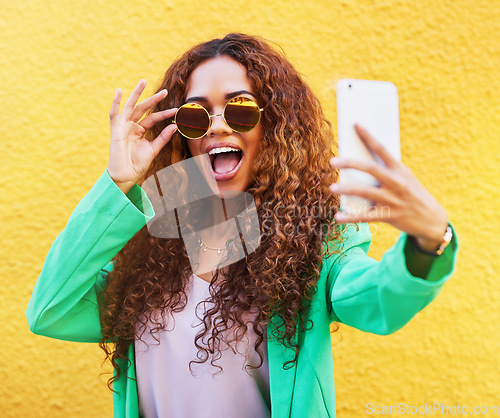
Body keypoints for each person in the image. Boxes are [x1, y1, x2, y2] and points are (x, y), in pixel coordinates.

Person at [26, 33, 459, 418]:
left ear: (274, 123)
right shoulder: (149, 231)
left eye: (241, 109)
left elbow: (375, 300)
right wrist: (117, 186)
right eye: (196, 115)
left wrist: (429, 241)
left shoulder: (313, 233)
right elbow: (49, 312)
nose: (217, 125)